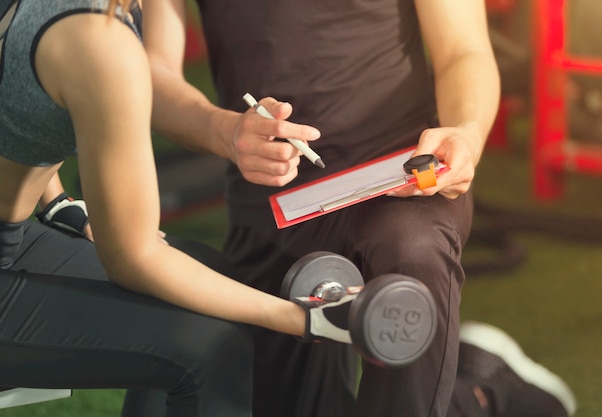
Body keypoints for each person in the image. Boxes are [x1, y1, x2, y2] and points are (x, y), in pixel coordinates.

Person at [141, 0, 578, 416]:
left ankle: (482, 389)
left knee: (413, 253)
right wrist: (227, 131)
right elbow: (155, 74)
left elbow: (463, 50)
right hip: (273, 199)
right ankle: (477, 392)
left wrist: (466, 132)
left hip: (399, 173)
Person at [0, 0, 372, 415]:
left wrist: (57, 202)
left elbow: (14, 98)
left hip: (8, 236)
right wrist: (303, 319)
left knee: (209, 274)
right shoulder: (100, 42)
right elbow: (133, 259)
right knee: (210, 347)